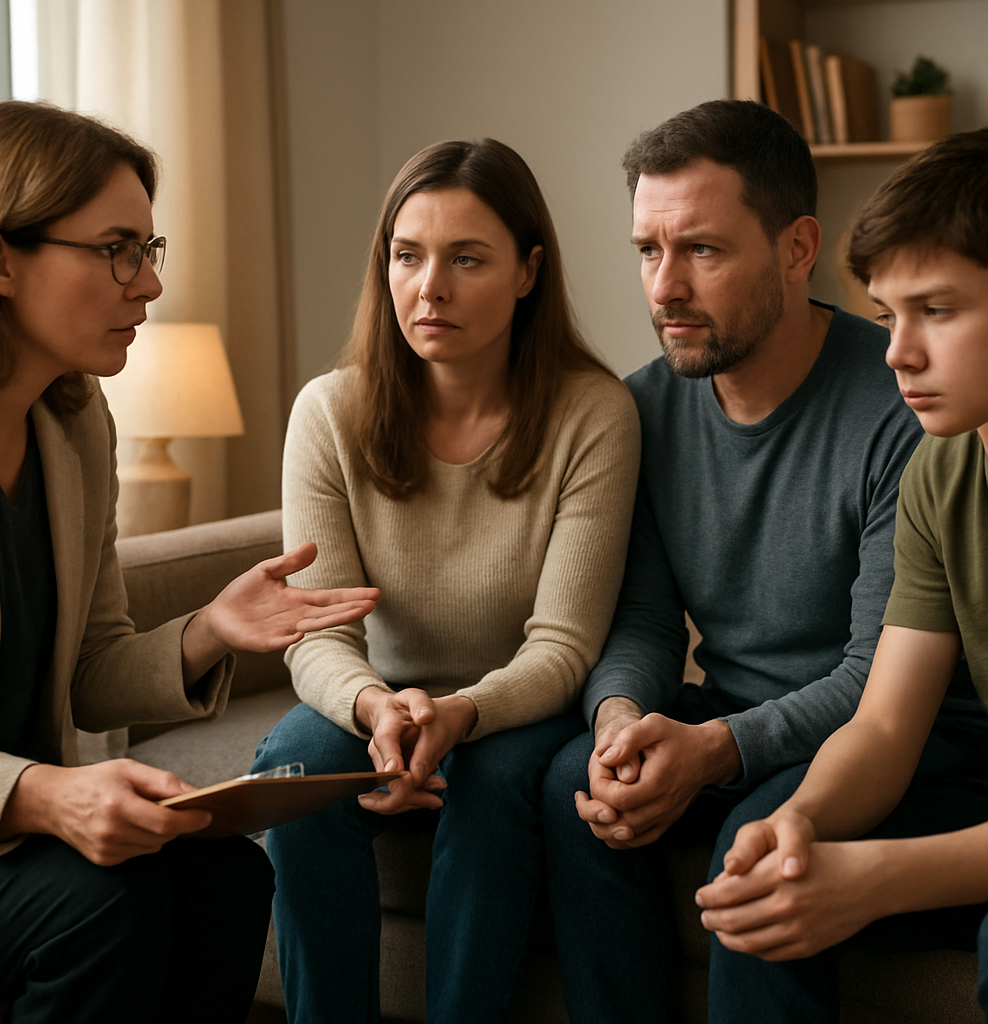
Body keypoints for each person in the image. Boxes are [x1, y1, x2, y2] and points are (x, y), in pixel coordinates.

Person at [537, 99, 988, 1023]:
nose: (664, 286)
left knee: (757, 840)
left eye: (700, 249)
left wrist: (742, 777)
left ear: (796, 248)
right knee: (575, 777)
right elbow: (649, 621)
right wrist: (627, 722)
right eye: (646, 252)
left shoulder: (906, 421)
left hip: (909, 741)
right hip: (780, 722)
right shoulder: (645, 409)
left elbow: (877, 695)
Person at [0, 100, 380, 1024]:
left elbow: (89, 671)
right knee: (101, 910)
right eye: (116, 249)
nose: (146, 286)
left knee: (226, 876)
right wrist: (39, 795)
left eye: (150, 251)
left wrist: (207, 632)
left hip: (13, 817)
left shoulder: (73, 426)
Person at [250, 137, 640, 1024]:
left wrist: (460, 714)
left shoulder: (594, 413)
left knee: (497, 786)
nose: (431, 288)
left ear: (528, 271)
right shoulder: (329, 411)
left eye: (468, 259)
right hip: (380, 694)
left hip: (516, 703)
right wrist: (376, 712)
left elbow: (567, 642)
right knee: (291, 764)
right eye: (407, 256)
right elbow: (320, 628)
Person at [696, 128, 988, 1023]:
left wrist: (875, 878)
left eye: (935, 310)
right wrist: (805, 823)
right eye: (887, 316)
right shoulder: (942, 470)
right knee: (758, 874)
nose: (898, 353)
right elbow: (888, 724)